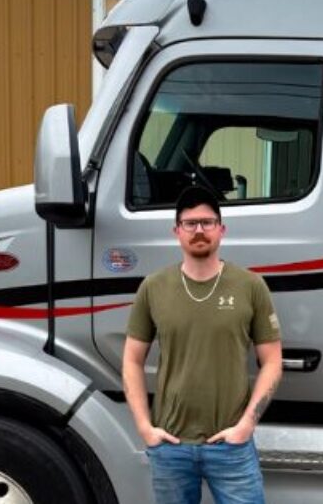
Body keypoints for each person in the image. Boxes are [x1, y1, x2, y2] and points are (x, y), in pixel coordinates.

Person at [122, 185, 282, 504]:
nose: (199, 230)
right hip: (170, 447)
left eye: (207, 223)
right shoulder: (153, 287)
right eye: (190, 223)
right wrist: (144, 428)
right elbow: (131, 360)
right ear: (176, 231)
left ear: (221, 229)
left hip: (231, 446)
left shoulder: (250, 286)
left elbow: (273, 361)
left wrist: (246, 426)